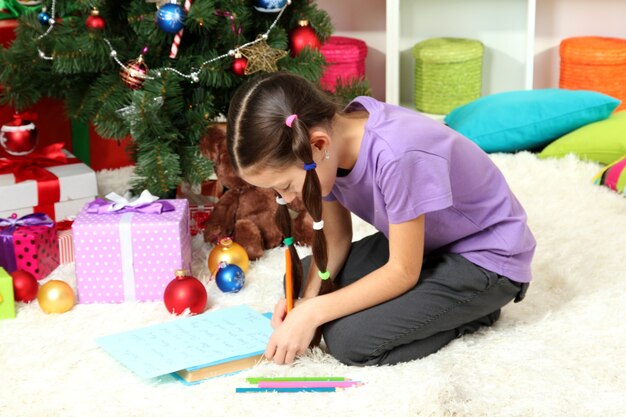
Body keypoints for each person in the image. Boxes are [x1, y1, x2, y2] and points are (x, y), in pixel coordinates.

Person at [225, 72, 536, 367]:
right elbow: (335, 239)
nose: (290, 199)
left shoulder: (395, 154)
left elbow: (402, 271)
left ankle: (476, 311)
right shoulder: (328, 150)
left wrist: (313, 314)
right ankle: (441, 298)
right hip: (430, 243)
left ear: (318, 145)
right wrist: (305, 303)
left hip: (486, 257)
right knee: (304, 277)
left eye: (288, 186)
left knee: (349, 341)